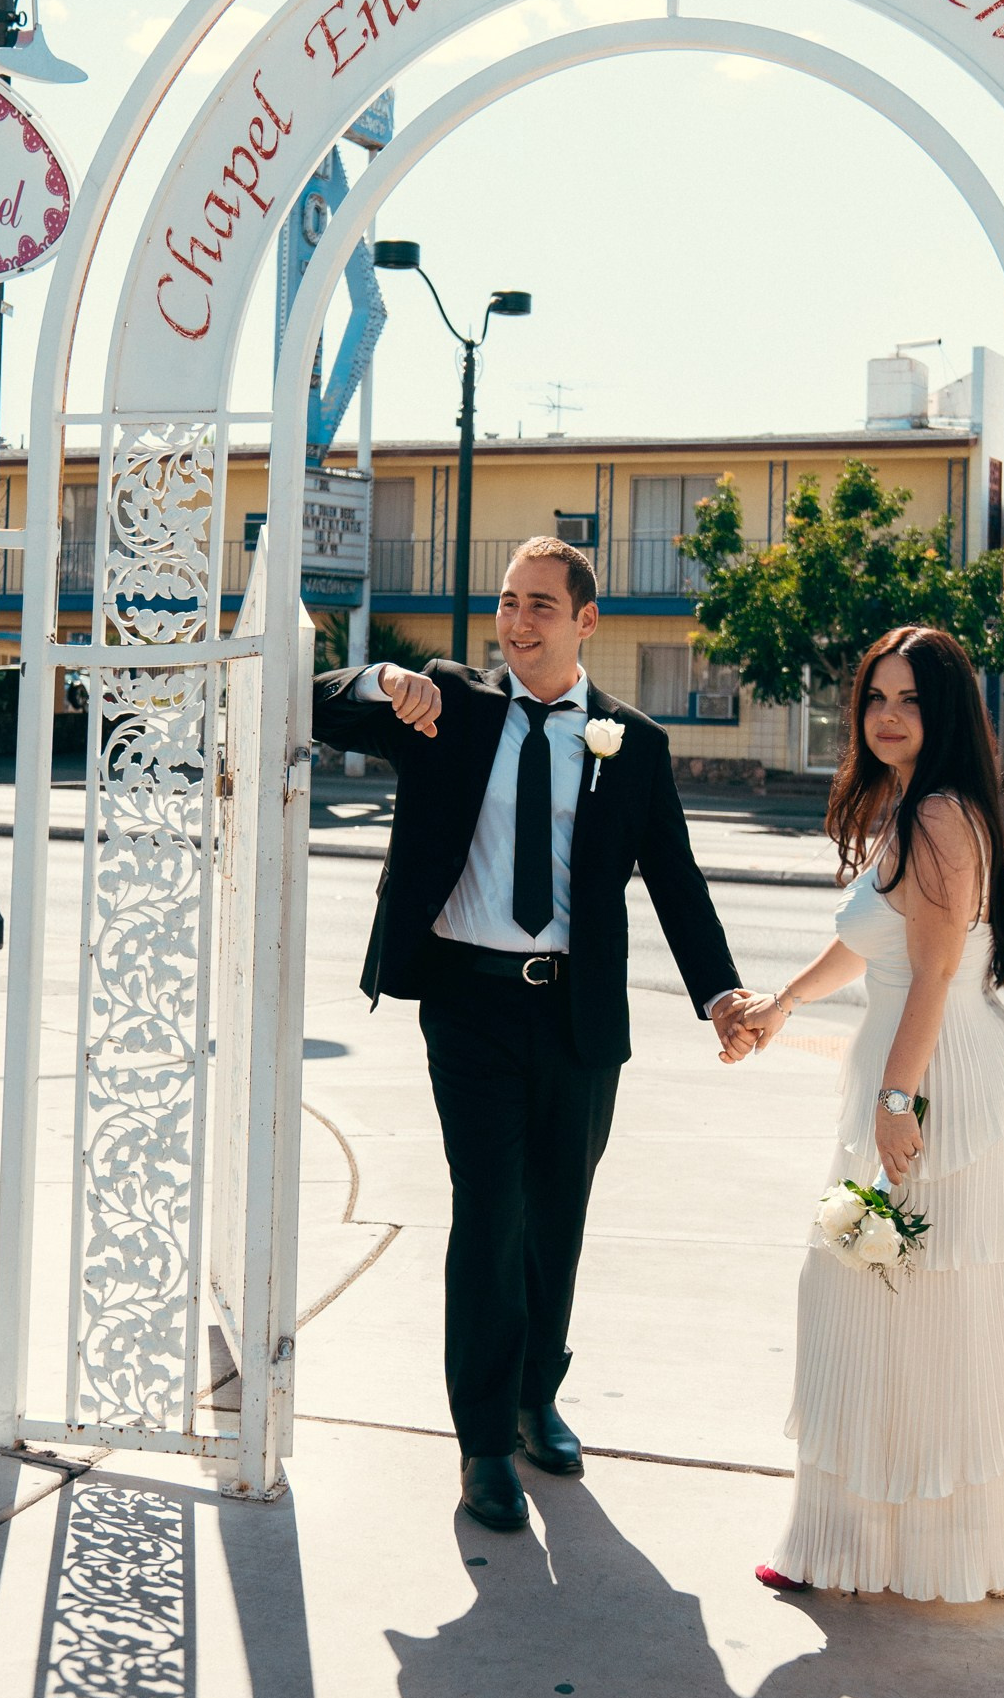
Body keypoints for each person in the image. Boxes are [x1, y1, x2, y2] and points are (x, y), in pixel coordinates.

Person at [312, 538, 755, 1533]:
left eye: (541, 605)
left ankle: (533, 1398)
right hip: (467, 1005)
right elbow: (316, 701)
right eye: (509, 602)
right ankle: (480, 1445)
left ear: (585, 622)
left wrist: (718, 992)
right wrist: (384, 677)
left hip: (577, 1013)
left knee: (557, 1218)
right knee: (490, 1212)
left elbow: (675, 880)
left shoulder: (630, 744)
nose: (519, 621)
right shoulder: (448, 708)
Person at [732, 627, 1004, 1604]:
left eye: (909, 699)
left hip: (934, 1082)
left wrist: (896, 1100)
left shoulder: (943, 816)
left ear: (944, 712)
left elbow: (940, 970)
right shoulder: (905, 810)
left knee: (902, 1305)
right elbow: (868, 949)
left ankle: (911, 1546)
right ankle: (852, 1541)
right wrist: (781, 1006)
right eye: (876, 697)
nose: (888, 715)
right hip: (902, 1073)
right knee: (868, 1304)